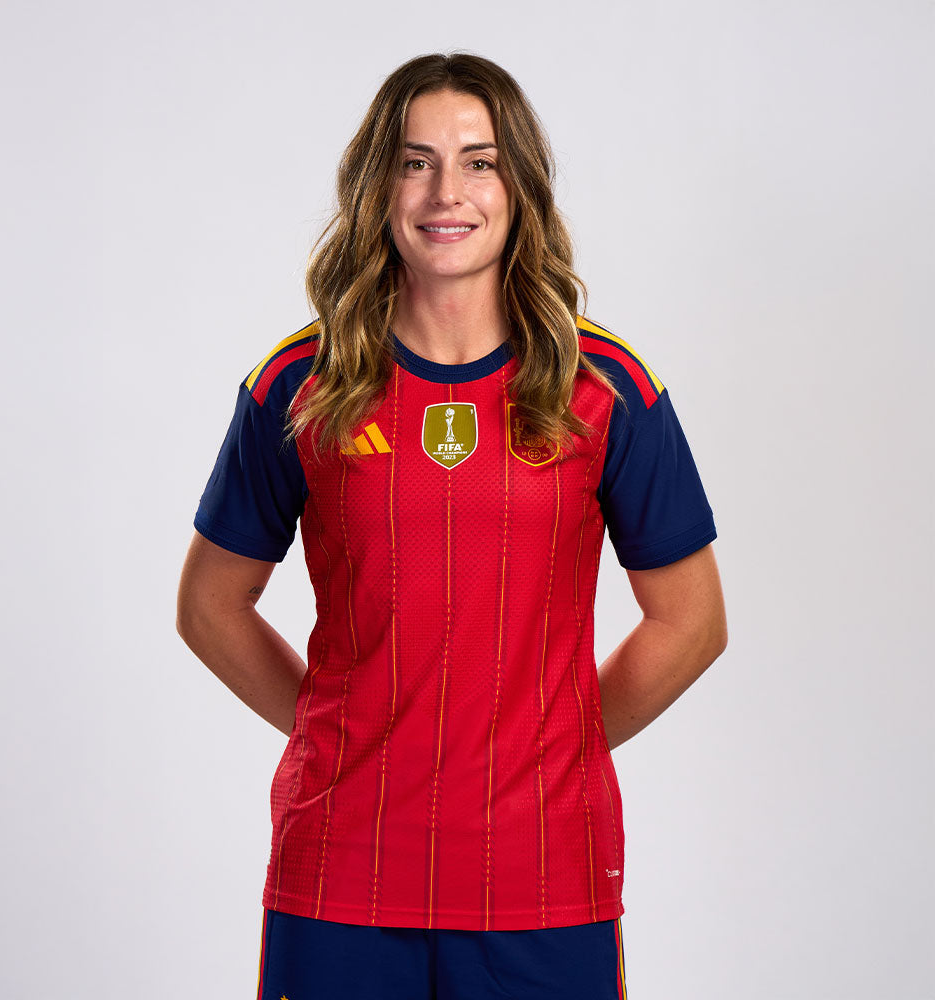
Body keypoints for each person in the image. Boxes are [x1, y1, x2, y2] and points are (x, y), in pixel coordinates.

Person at [176, 51, 727, 1000]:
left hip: (544, 876)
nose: (446, 191)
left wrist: (553, 748)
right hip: (341, 871)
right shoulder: (298, 385)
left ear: (520, 187)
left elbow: (693, 621)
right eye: (414, 162)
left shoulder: (607, 388)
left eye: (479, 162)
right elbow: (209, 606)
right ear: (376, 186)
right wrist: (339, 735)